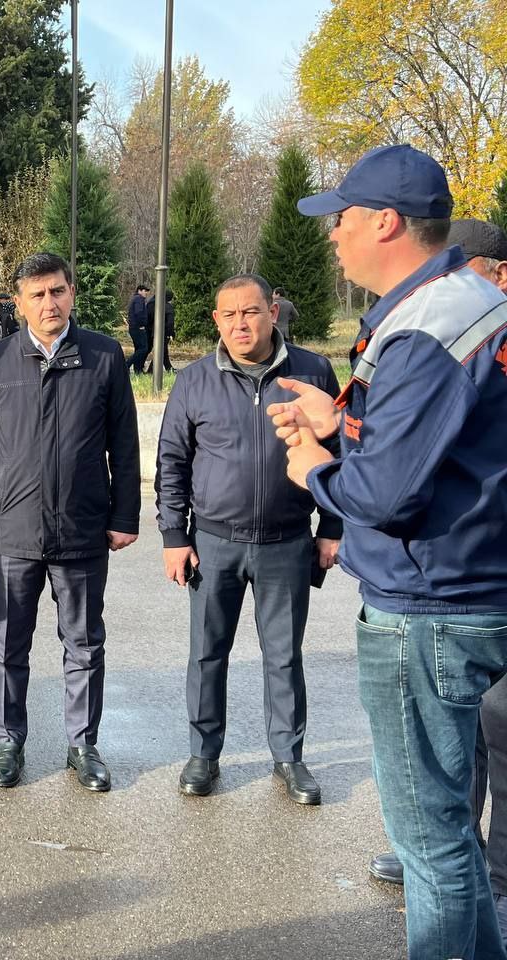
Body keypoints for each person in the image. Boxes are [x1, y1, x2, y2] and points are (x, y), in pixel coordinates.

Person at [269, 145, 507, 959]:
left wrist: (316, 467)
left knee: (431, 845)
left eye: (341, 217)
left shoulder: (425, 329)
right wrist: (344, 422)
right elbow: (451, 446)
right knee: (452, 842)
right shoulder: (472, 300)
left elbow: (386, 496)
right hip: (468, 586)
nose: (331, 232)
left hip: (427, 609)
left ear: (385, 222)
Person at [156, 273, 341, 804]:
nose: (241, 324)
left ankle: (289, 758)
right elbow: (172, 461)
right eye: (230, 315)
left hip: (287, 542)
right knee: (207, 654)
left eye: (251, 312)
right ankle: (203, 755)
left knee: (284, 656)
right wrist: (173, 535)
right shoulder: (194, 381)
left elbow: (340, 452)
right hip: (213, 543)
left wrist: (332, 528)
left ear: (272, 312)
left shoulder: (312, 373)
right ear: (217, 320)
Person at [368, 218, 507, 914]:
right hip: (465, 577)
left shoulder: (475, 336)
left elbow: (396, 488)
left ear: (499, 274)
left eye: (461, 274)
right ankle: (456, 854)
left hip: (473, 579)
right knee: (466, 734)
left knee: (499, 730)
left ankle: (494, 875)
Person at [0, 252, 140, 791]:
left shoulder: (104, 356)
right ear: (19, 303)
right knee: (8, 642)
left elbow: (124, 444)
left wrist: (124, 515)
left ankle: (83, 745)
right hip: (12, 531)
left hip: (82, 529)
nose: (49, 303)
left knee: (84, 642)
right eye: (37, 295)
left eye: (57, 291)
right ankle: (7, 743)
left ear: (71, 293)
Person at [146, 288, 176, 372]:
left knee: (163, 351)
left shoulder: (155, 305)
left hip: (154, 332)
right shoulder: (168, 307)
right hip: (164, 332)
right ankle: (151, 370)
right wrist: (171, 333)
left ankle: (168, 368)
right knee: (161, 351)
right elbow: (170, 322)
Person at [126, 284, 150, 374]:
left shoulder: (135, 299)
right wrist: (142, 324)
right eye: (145, 291)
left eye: (147, 291)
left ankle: (138, 370)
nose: (146, 293)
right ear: (139, 291)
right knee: (144, 348)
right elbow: (139, 313)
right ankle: (126, 364)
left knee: (138, 349)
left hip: (134, 327)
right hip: (138, 328)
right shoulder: (139, 299)